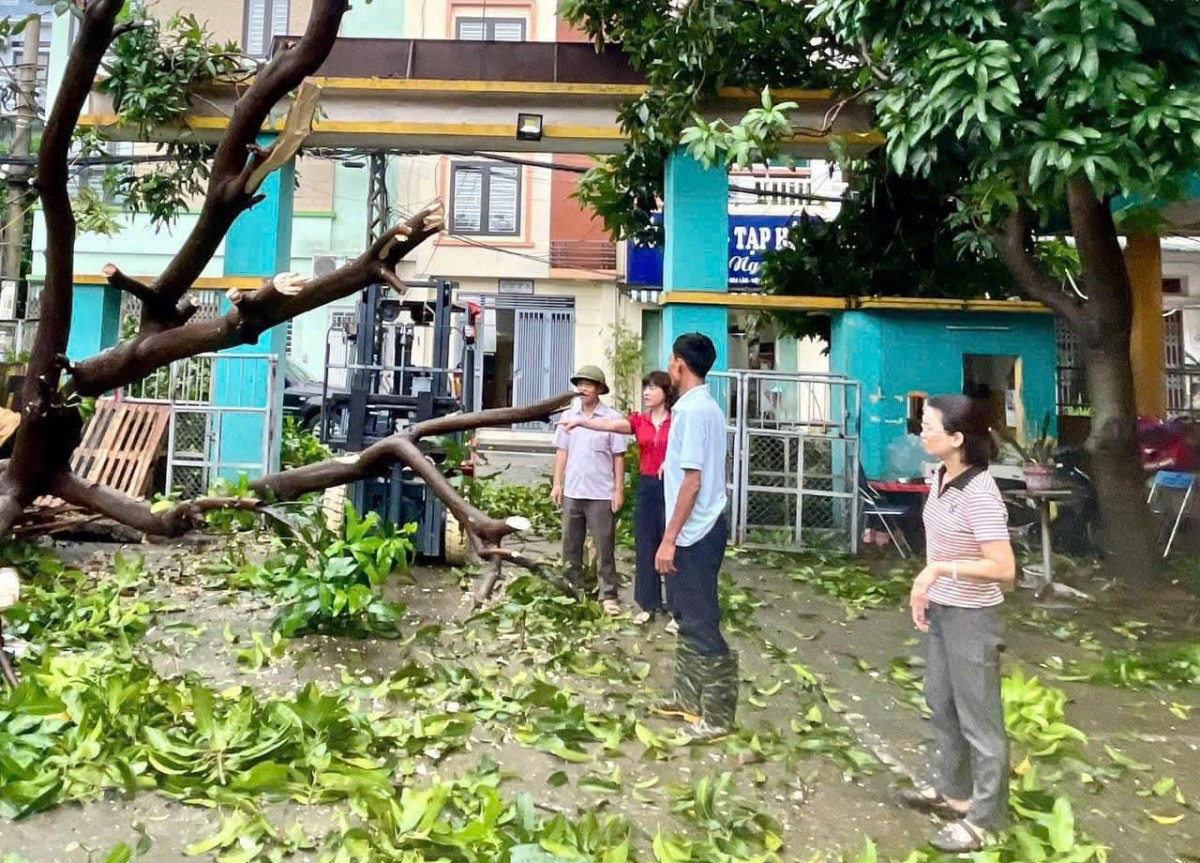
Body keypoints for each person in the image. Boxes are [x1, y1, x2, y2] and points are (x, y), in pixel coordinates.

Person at [904, 395, 1016, 853]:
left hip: (973, 617)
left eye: (929, 425)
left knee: (980, 720)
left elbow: (1004, 569)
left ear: (956, 439)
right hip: (943, 610)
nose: (922, 431)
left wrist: (940, 571)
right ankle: (952, 791)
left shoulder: (980, 493)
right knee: (941, 701)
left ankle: (987, 819)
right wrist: (926, 589)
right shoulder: (941, 477)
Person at [651, 333, 737, 742]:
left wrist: (669, 539)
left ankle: (718, 716)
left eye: (671, 361)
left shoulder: (695, 412)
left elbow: (692, 482)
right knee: (684, 616)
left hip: (695, 531)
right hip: (694, 527)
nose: (669, 367)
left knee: (701, 620)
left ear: (680, 366)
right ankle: (687, 698)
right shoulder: (697, 408)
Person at [560, 371, 676, 627]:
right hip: (647, 485)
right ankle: (648, 604)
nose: (646, 392)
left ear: (666, 393)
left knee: (674, 546)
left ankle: (678, 609)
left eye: (653, 388)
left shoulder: (679, 421)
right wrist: (581, 423)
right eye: (645, 387)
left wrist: (673, 461)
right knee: (646, 546)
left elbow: (687, 445)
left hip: (674, 487)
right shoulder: (639, 421)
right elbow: (611, 426)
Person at [552, 365, 628, 616]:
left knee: (604, 545)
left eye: (589, 384)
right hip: (574, 490)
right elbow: (562, 451)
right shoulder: (568, 416)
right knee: (570, 544)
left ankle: (608, 594)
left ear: (599, 389)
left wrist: (618, 490)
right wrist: (557, 483)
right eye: (580, 384)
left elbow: (618, 456)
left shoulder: (612, 418)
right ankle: (573, 589)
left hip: (601, 493)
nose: (583, 389)